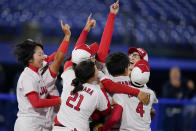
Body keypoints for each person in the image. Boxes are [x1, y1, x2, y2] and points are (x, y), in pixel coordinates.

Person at [62, 0, 150, 105]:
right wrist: (111, 16)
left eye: (136, 56)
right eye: (132, 55)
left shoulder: (69, 70)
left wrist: (85, 31)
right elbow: (103, 46)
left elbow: (77, 53)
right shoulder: (98, 72)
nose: (131, 57)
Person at [13, 21, 71, 131]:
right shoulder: (27, 77)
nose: (43, 57)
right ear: (30, 59)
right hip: (28, 124)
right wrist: (59, 100)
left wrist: (66, 38)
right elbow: (36, 103)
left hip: (38, 122)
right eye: (40, 54)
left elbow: (56, 56)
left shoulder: (37, 72)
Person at [99, 52, 158, 131]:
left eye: (135, 56)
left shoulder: (107, 79)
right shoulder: (148, 91)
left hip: (112, 124)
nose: (132, 58)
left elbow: (114, 117)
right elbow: (152, 113)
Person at [53, 60, 110, 131]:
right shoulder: (97, 91)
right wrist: (101, 86)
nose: (98, 71)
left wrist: (84, 60)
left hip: (59, 127)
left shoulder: (69, 77)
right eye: (96, 69)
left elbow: (69, 65)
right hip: (78, 128)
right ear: (92, 75)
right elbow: (105, 109)